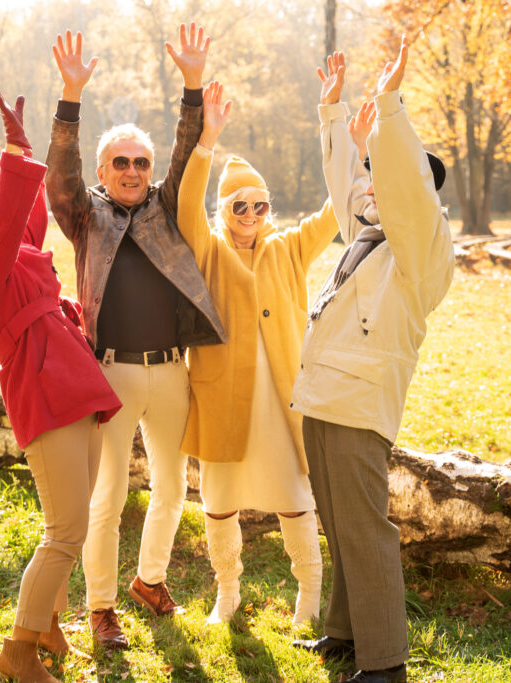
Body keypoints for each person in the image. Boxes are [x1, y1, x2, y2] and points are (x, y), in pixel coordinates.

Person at [0, 80, 121, 683]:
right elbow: (13, 224)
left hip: (72, 375)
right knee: (64, 531)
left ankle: (48, 624)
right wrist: (13, 156)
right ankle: (18, 650)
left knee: (77, 518)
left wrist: (27, 148)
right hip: (42, 387)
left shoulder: (13, 250)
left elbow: (27, 216)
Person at [44, 26, 226, 649]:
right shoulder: (85, 217)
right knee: (108, 495)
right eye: (119, 162)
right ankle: (100, 608)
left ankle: (149, 580)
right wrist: (71, 97)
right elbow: (58, 178)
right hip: (112, 375)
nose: (131, 170)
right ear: (103, 170)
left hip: (171, 372)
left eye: (139, 162)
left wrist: (193, 85)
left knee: (174, 487)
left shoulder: (165, 208)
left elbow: (186, 148)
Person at [289, 41, 453, 683]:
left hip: (360, 401)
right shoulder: (368, 232)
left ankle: (386, 662)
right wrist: (333, 117)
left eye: (384, 179)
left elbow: (406, 186)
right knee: (339, 522)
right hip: (322, 393)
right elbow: (345, 187)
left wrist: (389, 104)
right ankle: (344, 631)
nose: (371, 187)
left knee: (366, 528)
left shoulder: (421, 248)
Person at [175, 82, 339, 625]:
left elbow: (335, 210)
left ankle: (309, 596)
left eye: (260, 204)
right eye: (240, 204)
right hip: (224, 396)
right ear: (226, 209)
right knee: (219, 500)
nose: (251, 212)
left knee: (295, 496)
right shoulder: (209, 249)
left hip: (283, 400)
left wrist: (343, 134)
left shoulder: (287, 247)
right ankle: (228, 592)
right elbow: (186, 210)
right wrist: (207, 142)